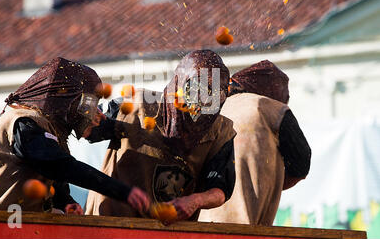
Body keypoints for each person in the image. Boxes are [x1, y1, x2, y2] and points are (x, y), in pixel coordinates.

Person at [0, 57, 150, 214]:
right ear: (66, 100)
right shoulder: (24, 122)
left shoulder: (47, 132)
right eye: (90, 104)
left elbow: (51, 171)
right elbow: (59, 166)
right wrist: (124, 191)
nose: (96, 114)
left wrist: (66, 202)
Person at [85, 50, 237, 222]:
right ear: (178, 85)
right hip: (112, 222)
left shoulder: (221, 131)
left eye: (212, 96)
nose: (201, 104)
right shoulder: (135, 105)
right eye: (196, 91)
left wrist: (195, 200)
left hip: (170, 231)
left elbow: (220, 189)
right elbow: (87, 129)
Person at [198, 60, 311, 225]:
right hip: (247, 228)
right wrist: (267, 184)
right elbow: (301, 163)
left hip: (198, 227)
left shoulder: (213, 109)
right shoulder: (272, 109)